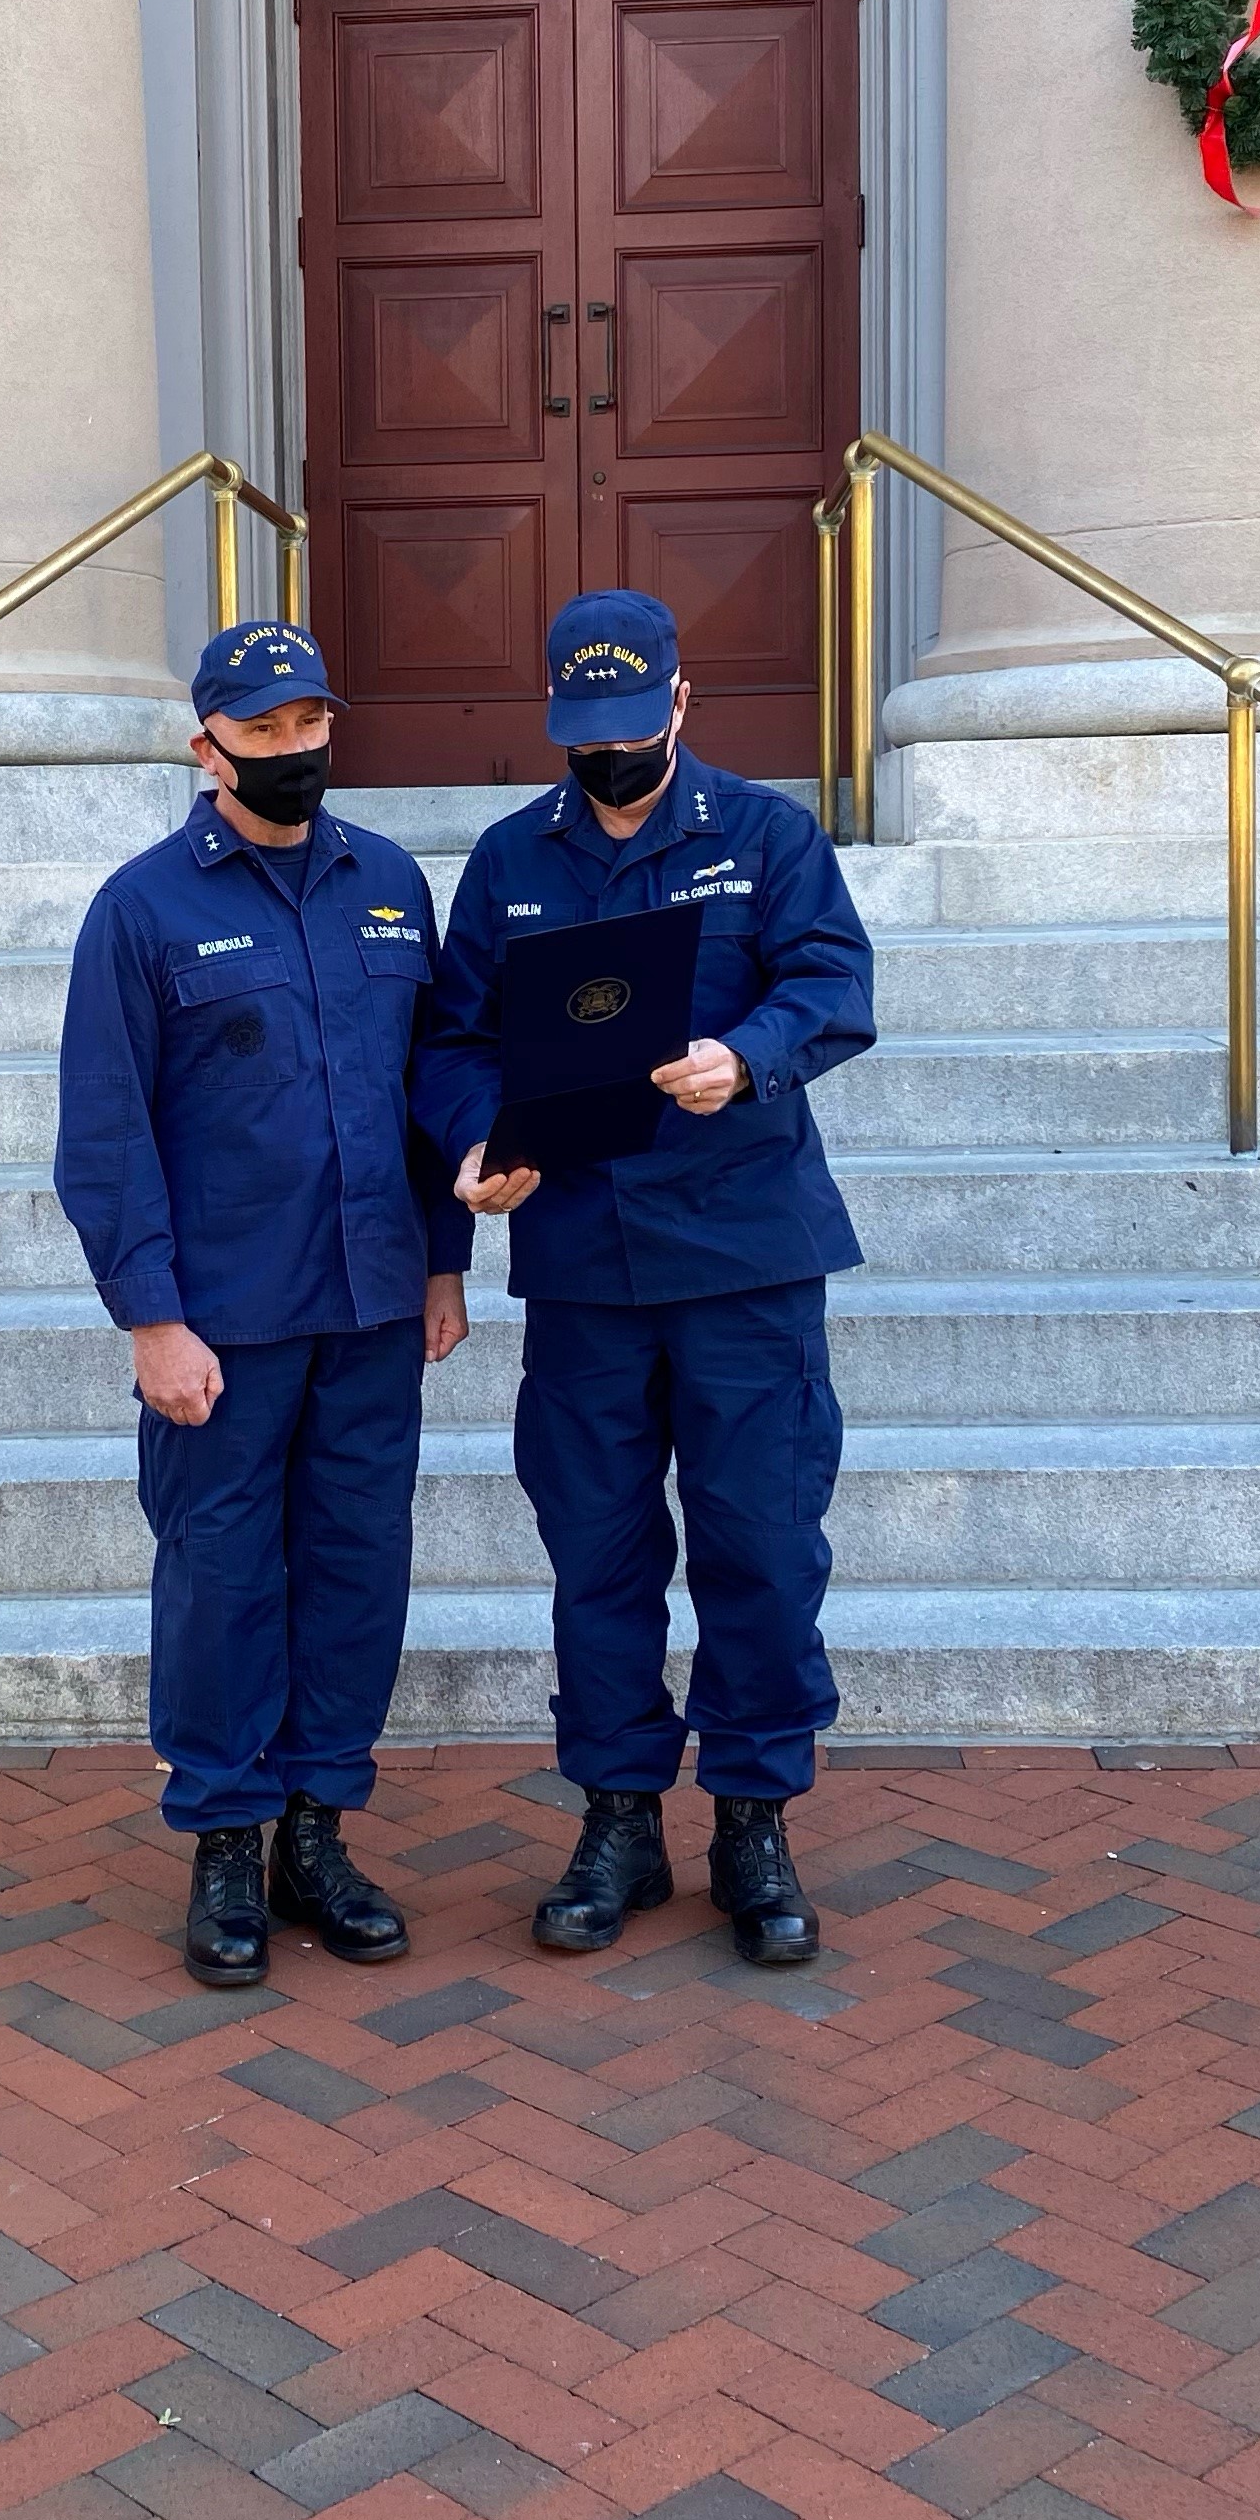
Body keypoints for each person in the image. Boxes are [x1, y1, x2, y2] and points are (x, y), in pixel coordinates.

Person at [419, 590, 874, 1966]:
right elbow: (455, 1040)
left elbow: (835, 980)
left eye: (633, 726)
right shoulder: (509, 864)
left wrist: (753, 1052)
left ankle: (753, 1817)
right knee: (598, 1554)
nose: (608, 755)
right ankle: (617, 1813)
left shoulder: (765, 835)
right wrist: (478, 1137)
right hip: (582, 1263)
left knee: (759, 1540)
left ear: (680, 706)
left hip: (744, 1253)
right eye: (584, 733)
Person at [56, 620, 473, 1986]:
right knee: (225, 1578)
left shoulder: (393, 883)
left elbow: (429, 1084)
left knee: (356, 1571)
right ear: (207, 746)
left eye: (312, 726)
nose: (296, 751)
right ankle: (227, 1840)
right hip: (224, 1319)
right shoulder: (143, 908)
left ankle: (316, 1831)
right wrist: (151, 1320)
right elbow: (106, 1133)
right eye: (268, 730)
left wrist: (441, 1260)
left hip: (368, 1307)